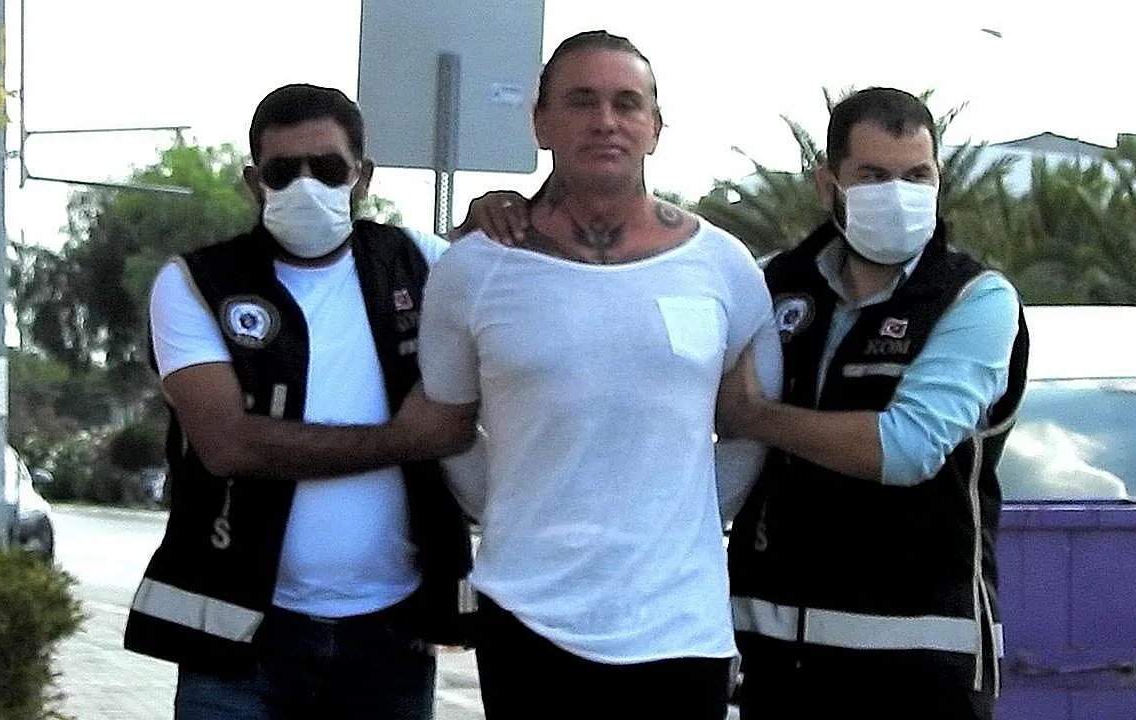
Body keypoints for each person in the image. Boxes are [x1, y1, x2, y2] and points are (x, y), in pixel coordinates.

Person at [417, 30, 776, 720]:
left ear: (656, 127)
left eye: (626, 103)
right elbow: (448, 429)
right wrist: (520, 510)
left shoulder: (725, 268)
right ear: (541, 124)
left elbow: (748, 428)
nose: (606, 121)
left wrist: (682, 519)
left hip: (681, 628)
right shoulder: (473, 269)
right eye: (581, 101)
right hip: (528, 618)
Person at [122, 82, 477, 720]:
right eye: (283, 171)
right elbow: (228, 444)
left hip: (393, 637)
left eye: (328, 168)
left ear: (363, 175)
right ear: (254, 181)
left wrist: (512, 209)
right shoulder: (197, 283)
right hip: (239, 639)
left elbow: (525, 314)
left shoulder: (422, 264)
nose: (305, 186)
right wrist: (405, 439)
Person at [716, 87, 1030, 720]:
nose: (898, 193)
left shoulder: (974, 299)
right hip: (773, 653)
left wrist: (757, 417)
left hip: (918, 661)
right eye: (873, 175)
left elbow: (907, 448)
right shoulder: (771, 285)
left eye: (917, 176)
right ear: (827, 184)